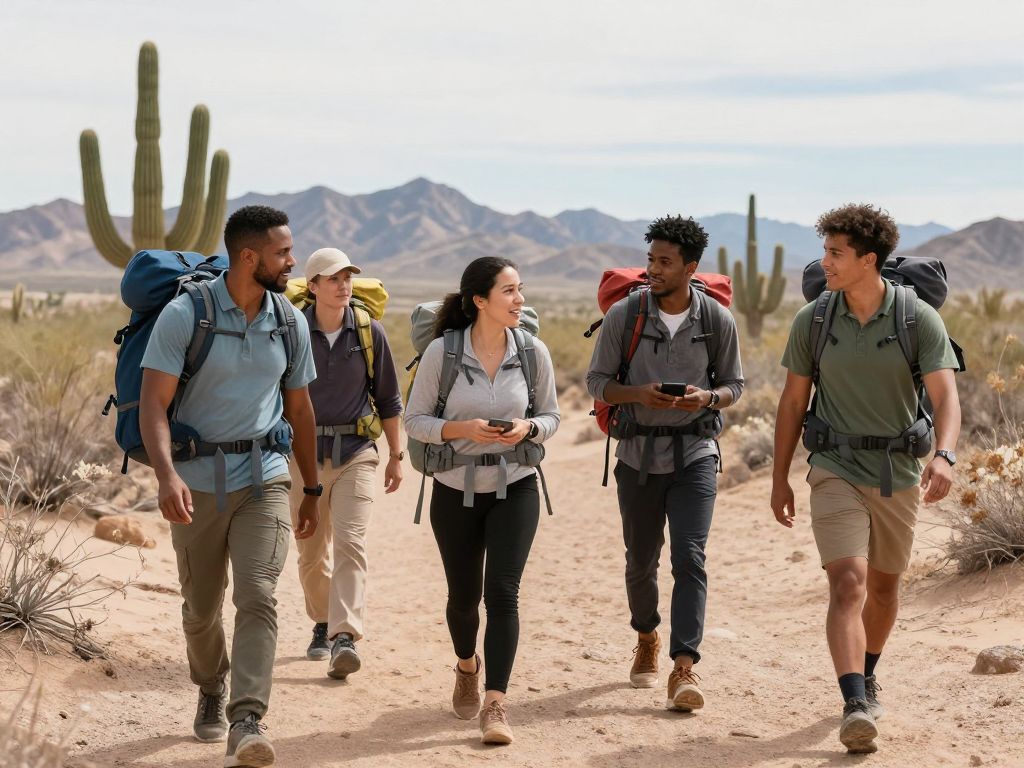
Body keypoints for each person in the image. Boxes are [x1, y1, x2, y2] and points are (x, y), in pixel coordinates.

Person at [771, 204, 961, 754]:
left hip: (897, 470)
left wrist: (944, 455)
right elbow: (791, 402)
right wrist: (780, 477)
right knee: (848, 582)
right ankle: (855, 702)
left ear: (867, 260)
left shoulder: (916, 317)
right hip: (834, 466)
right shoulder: (814, 319)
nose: (824, 263)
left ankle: (868, 671)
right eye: (824, 252)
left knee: (883, 587)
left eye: (836, 254)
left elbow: (947, 395)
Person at [140, 205, 320, 768]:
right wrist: (166, 474)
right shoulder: (184, 315)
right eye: (283, 253)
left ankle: (246, 718)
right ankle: (211, 685)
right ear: (249, 256)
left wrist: (310, 488)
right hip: (194, 484)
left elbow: (300, 407)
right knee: (200, 610)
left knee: (259, 595)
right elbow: (154, 404)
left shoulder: (288, 320)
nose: (292, 262)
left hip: (263, 477)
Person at [585, 215, 744, 712]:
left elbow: (734, 387)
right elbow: (597, 383)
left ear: (690, 268)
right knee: (641, 561)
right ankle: (647, 635)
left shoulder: (717, 320)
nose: (653, 268)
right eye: (651, 259)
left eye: (664, 262)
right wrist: (639, 394)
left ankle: (684, 665)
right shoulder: (625, 316)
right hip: (636, 455)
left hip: (695, 453)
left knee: (690, 557)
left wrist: (707, 398)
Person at [404, 256, 559, 745]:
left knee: (504, 594)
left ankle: (496, 703)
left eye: (521, 290)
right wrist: (459, 429)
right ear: (479, 301)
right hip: (455, 489)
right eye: (509, 292)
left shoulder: (533, 352)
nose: (520, 300)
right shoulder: (442, 355)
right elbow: (415, 420)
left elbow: (552, 415)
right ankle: (467, 664)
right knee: (464, 598)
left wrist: (528, 428)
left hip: (517, 485)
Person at [289, 247, 404, 679]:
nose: (342, 285)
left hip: (357, 453)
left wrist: (395, 455)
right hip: (303, 458)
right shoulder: (293, 333)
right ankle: (321, 621)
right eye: (333, 278)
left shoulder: (368, 331)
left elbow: (390, 398)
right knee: (311, 551)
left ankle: (344, 636)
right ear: (313, 286)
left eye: (348, 278)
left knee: (352, 544)